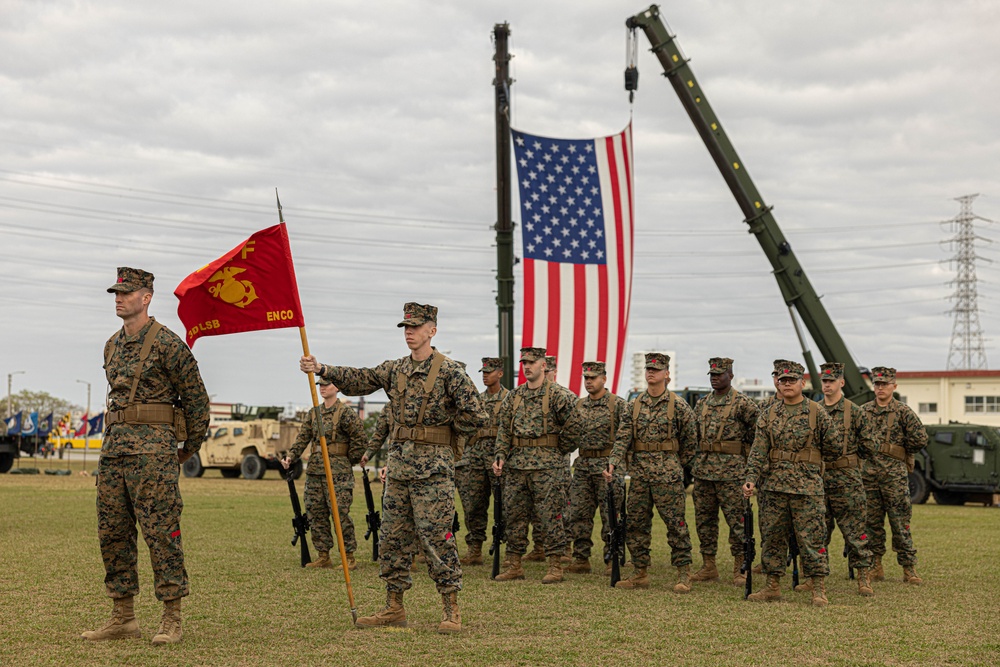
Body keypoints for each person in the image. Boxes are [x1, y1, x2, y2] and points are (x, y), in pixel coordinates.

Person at [300, 302, 486, 633]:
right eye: (405, 327)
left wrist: (446, 435)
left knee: (436, 538)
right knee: (392, 539)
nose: (409, 331)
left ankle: (450, 607)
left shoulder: (450, 372)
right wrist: (323, 368)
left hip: (433, 473)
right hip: (399, 470)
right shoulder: (395, 369)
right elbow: (361, 379)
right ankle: (394, 606)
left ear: (433, 329)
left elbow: (477, 416)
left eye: (416, 326)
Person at [82, 267, 210, 644]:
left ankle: (171, 616)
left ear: (146, 297)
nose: (119, 298)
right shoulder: (111, 344)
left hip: (153, 454)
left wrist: (189, 447)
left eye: (126, 292)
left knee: (161, 533)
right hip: (114, 451)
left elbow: (197, 400)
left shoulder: (169, 344)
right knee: (113, 533)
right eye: (116, 293)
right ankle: (123, 616)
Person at [742, 360, 840, 607]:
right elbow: (758, 451)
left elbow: (835, 447)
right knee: (773, 538)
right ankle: (772, 586)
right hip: (774, 487)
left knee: (812, 539)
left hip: (807, 488)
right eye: (783, 380)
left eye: (792, 380)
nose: (787, 384)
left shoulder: (817, 412)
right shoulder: (769, 414)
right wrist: (751, 478)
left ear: (802, 383)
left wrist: (812, 463)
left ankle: (818, 588)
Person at [604, 352, 698, 593]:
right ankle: (640, 572)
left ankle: (684, 573)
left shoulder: (678, 405)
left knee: (676, 525)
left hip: (668, 477)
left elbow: (690, 443)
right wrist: (613, 461)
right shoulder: (634, 404)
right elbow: (623, 437)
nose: (650, 372)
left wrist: (675, 466)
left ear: (666, 374)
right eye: (648, 369)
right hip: (640, 476)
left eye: (656, 369)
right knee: (636, 524)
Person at [492, 347, 579, 584]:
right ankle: (514, 564)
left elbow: (578, 422)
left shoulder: (559, 395)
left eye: (532, 362)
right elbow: (503, 429)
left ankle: (554, 566)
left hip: (547, 467)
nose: (527, 366)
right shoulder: (514, 396)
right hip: (517, 465)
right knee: (514, 516)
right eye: (524, 362)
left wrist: (560, 448)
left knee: (550, 516)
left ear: (543, 365)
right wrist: (500, 453)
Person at [794, 362, 876, 596]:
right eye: (824, 380)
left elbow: (870, 445)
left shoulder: (854, 411)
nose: (827, 384)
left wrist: (852, 459)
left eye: (831, 381)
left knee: (855, 531)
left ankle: (863, 577)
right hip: (818, 480)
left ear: (842, 382)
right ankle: (813, 578)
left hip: (847, 481)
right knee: (816, 532)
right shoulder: (813, 410)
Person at [281, 378, 367, 570]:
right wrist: (291, 457)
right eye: (320, 385)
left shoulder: (345, 413)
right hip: (315, 471)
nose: (322, 388)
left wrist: (347, 460)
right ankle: (323, 555)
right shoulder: (314, 414)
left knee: (340, 514)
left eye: (326, 385)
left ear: (336, 387)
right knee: (315, 513)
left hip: (338, 473)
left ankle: (349, 556)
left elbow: (360, 439)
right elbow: (302, 438)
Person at [689, 358, 759, 586]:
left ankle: (741, 568)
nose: (714, 377)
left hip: (732, 474)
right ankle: (708, 566)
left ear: (730, 374)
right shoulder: (702, 404)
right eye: (711, 374)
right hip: (704, 473)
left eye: (719, 374)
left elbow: (757, 435)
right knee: (704, 521)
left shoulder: (743, 403)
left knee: (738, 523)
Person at [861, 366, 926, 585]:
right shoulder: (864, 411)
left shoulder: (903, 412)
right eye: (877, 384)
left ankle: (909, 568)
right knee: (872, 523)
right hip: (868, 476)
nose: (880, 388)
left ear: (894, 386)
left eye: (884, 384)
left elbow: (920, 438)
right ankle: (875, 566)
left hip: (894, 478)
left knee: (900, 524)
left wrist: (900, 449)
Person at [565, 361, 627, 575]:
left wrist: (618, 463)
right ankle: (581, 558)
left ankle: (612, 557)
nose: (589, 381)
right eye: (586, 378)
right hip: (583, 466)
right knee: (578, 513)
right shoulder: (579, 405)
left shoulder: (617, 405)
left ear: (604, 379)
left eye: (593, 378)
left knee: (610, 514)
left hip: (607, 466)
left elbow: (626, 437)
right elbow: (570, 434)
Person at [455, 357, 508, 566]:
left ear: (500, 374)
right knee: (473, 504)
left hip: (498, 459)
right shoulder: (477, 399)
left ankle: (510, 549)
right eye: (484, 372)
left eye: (490, 372)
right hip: (475, 458)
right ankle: (474, 548)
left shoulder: (510, 399)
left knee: (505, 504)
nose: (486, 375)